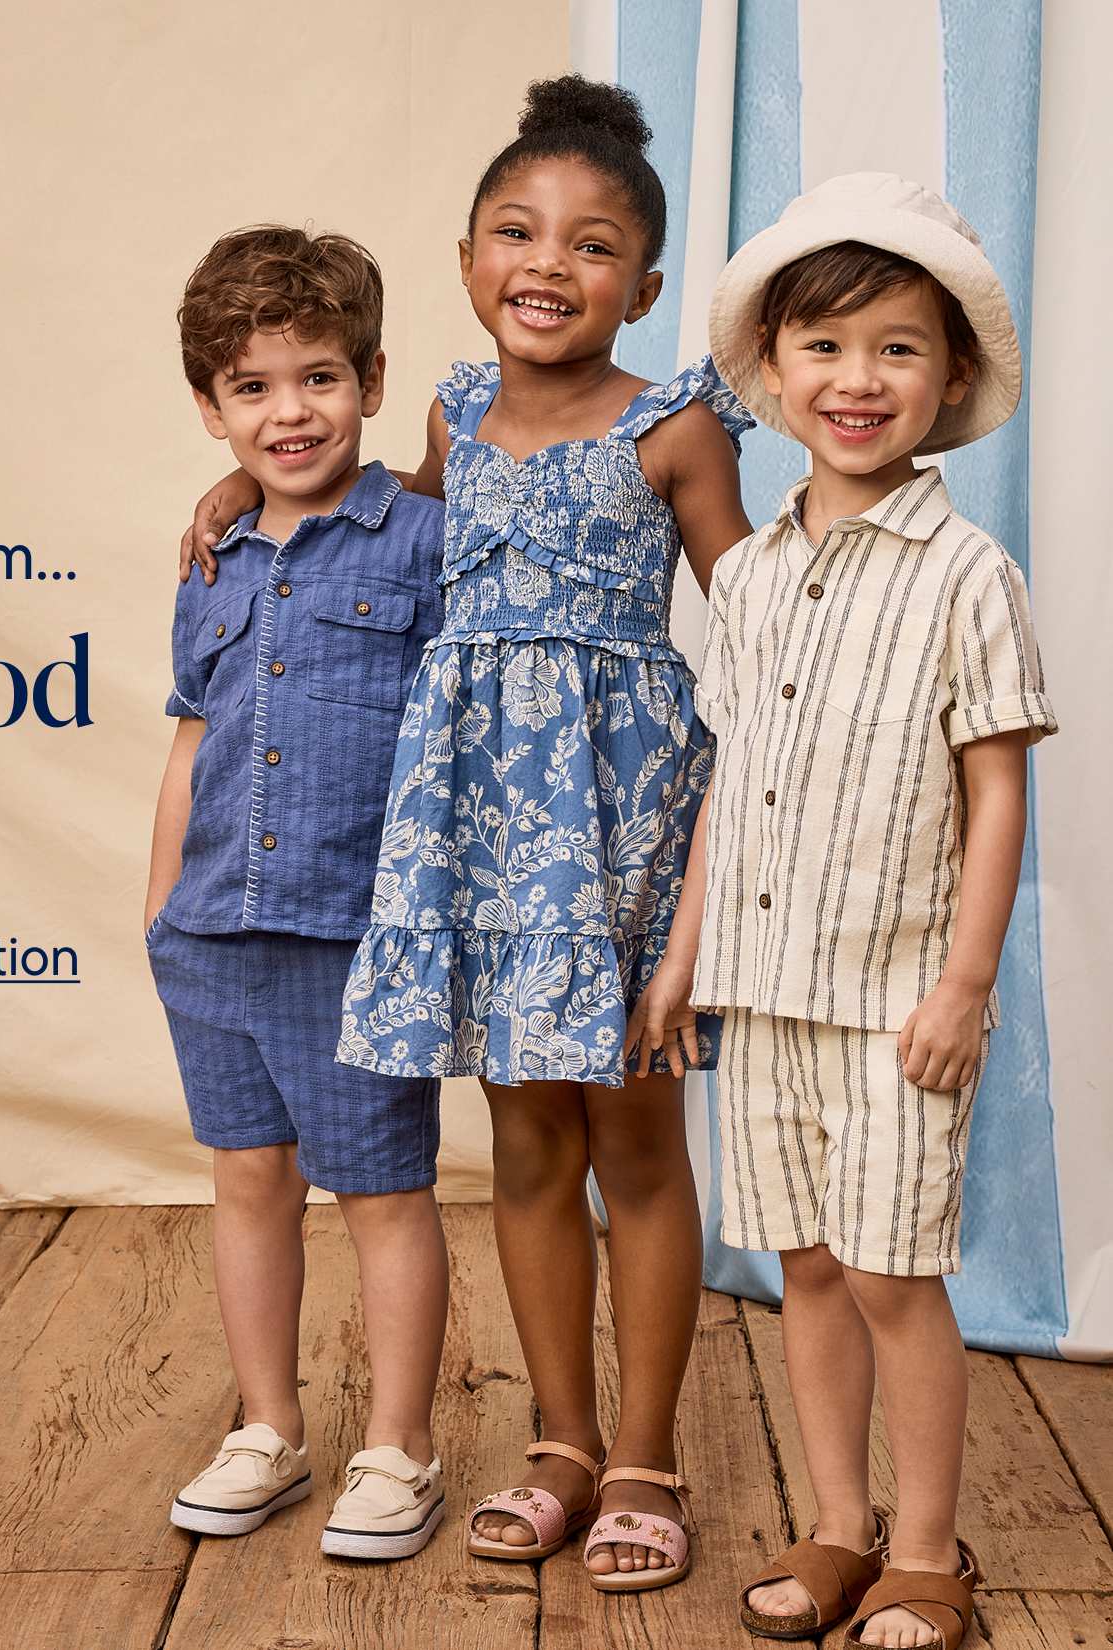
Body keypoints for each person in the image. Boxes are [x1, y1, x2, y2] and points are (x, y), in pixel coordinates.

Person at [182, 77, 753, 1590]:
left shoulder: (678, 427)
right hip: (477, 835)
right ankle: (561, 1442)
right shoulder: (446, 410)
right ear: (466, 258)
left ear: (644, 282)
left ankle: (647, 1454)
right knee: (526, 1143)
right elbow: (375, 523)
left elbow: (763, 629)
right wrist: (249, 472)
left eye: (593, 242)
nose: (549, 262)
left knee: (635, 1139)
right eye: (518, 230)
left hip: (622, 830)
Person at [629, 172, 1058, 1647]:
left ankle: (927, 1550)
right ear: (773, 369)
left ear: (949, 377)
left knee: (890, 1270)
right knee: (806, 1266)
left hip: (896, 1001)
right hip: (763, 993)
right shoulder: (751, 579)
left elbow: (996, 793)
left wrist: (965, 981)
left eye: (896, 348)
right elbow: (732, 781)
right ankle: (836, 1525)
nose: (857, 379)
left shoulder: (967, 575)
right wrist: (683, 955)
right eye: (824, 346)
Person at [147, 225, 452, 1560]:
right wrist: (160, 907)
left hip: (354, 931)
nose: (291, 411)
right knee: (248, 1179)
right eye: (254, 388)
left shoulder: (425, 540)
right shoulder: (213, 560)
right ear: (212, 407)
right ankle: (269, 1427)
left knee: (382, 1190)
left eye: (319, 377)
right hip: (213, 930)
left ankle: (399, 1448)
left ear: (372, 379)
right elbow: (192, 739)